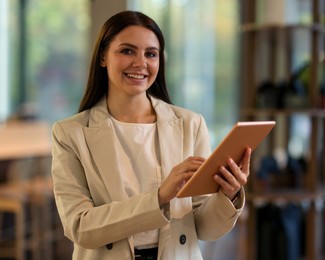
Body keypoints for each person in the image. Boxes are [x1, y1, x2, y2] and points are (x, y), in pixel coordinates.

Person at [51, 10, 251, 260]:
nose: (140, 63)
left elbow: (204, 228)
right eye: (127, 51)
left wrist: (227, 195)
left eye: (151, 54)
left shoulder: (190, 124)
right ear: (103, 56)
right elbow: (79, 226)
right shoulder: (70, 133)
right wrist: (158, 198)